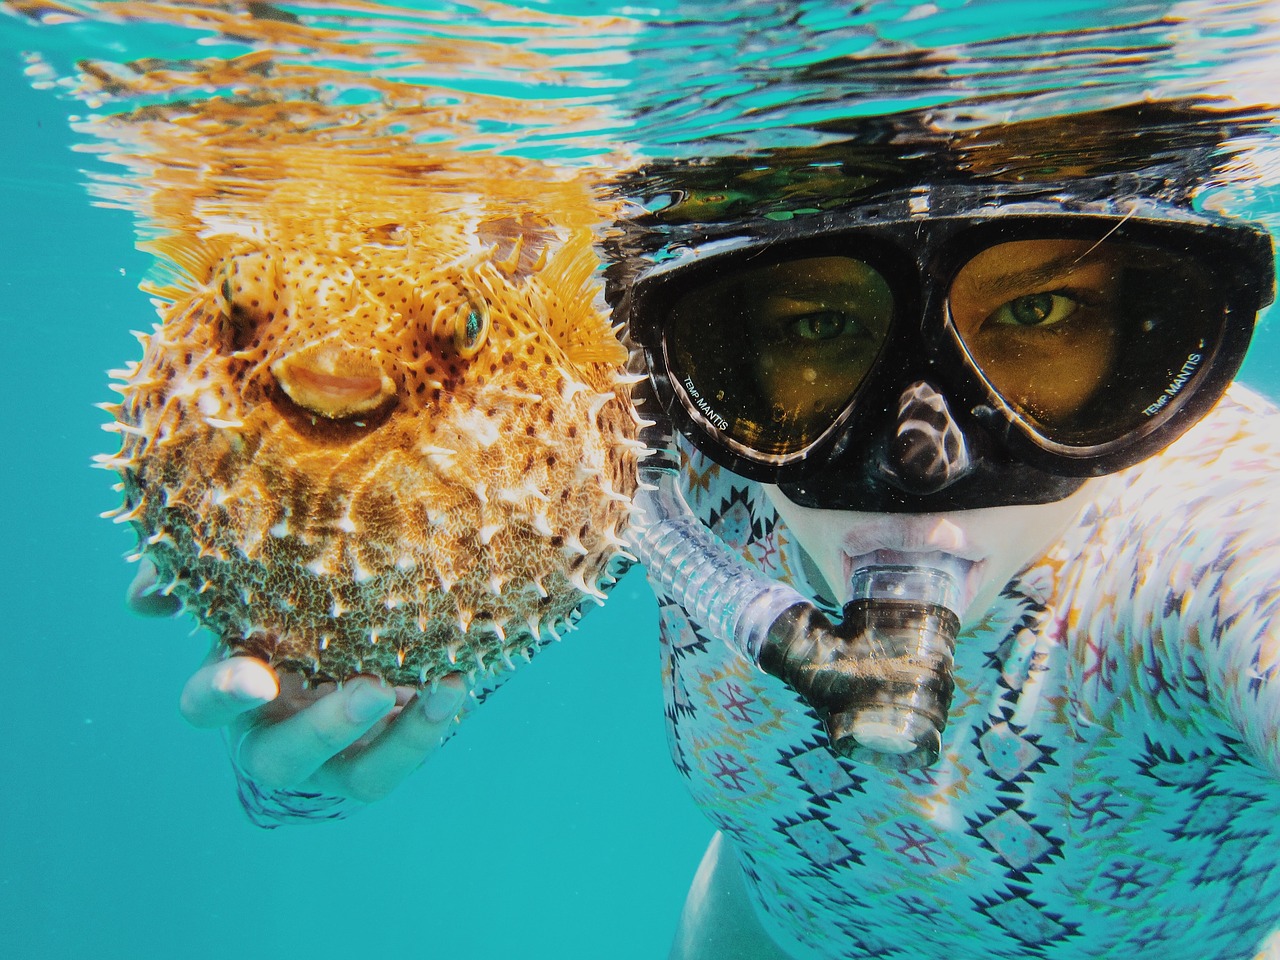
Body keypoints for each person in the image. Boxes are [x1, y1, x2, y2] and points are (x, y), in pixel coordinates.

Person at [147, 102, 1280, 958]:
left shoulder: (1203, 541)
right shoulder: (667, 447)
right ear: (720, 345)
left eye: (1036, 313)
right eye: (820, 323)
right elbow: (383, 673)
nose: (918, 455)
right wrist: (315, 725)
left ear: (1151, 329)